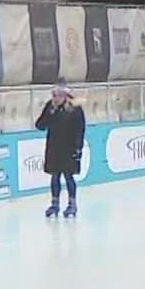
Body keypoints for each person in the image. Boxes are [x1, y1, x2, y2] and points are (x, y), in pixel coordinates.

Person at [34, 82, 86, 219]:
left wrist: (78, 148)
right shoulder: (51, 108)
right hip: (54, 147)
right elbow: (40, 125)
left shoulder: (75, 110)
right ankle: (55, 203)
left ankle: (72, 203)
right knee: (55, 175)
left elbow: (80, 130)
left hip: (69, 148)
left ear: (65, 96)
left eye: (58, 95)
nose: (55, 98)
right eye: (53, 95)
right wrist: (49, 113)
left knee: (68, 175)